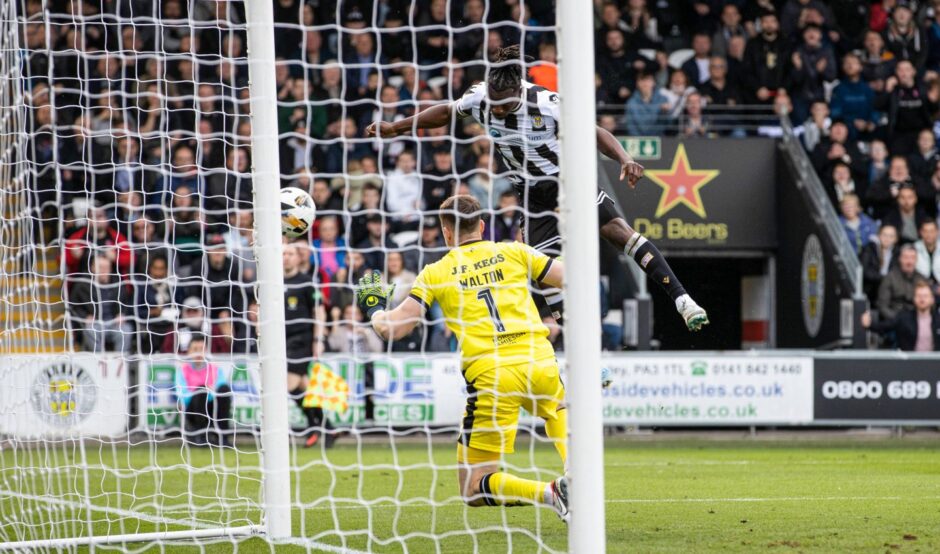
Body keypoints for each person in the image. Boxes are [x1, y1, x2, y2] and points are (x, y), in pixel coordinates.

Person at [366, 45, 708, 332]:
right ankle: (582, 352)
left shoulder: (546, 102)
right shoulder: (479, 98)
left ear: (519, 89)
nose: (497, 109)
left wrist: (624, 158)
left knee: (619, 233)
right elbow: (444, 112)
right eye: (494, 103)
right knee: (542, 272)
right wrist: (397, 128)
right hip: (530, 196)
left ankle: (682, 299)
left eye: (505, 104)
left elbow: (593, 132)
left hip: (566, 183)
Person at [356, 195, 570, 520]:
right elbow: (572, 278)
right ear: (482, 226)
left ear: (446, 232)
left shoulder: (436, 271)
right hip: (538, 358)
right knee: (559, 409)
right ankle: (576, 469)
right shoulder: (514, 251)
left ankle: (550, 493)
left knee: (472, 489)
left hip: (492, 377)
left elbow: (394, 329)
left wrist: (373, 309)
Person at [282, 241, 332, 448]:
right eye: (283, 253)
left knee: (289, 385)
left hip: (301, 339)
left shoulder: (306, 282)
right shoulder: (272, 282)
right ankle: (328, 428)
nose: (287, 257)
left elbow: (319, 311)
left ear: (298, 257)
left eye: (291, 253)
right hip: (281, 340)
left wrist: (318, 340)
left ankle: (314, 426)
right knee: (303, 386)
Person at [174, 334, 232, 446]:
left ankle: (223, 437)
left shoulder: (215, 369)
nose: (198, 353)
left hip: (212, 409)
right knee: (201, 390)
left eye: (201, 349)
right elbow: (182, 397)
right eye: (195, 349)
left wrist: (208, 392)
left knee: (224, 389)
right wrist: (204, 389)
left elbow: (220, 388)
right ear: (189, 352)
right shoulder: (182, 370)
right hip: (193, 410)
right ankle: (200, 436)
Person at [863, 280, 940, 351]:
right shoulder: (904, 318)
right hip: (908, 363)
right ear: (914, 298)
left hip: (934, 363)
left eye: (925, 296)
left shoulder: (938, 319)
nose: (922, 299)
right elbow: (885, 327)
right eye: (919, 296)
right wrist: (869, 324)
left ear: (932, 299)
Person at [877, 244, 919, 320]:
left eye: (912, 257)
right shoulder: (889, 278)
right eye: (906, 257)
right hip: (894, 320)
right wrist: (899, 321)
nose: (909, 261)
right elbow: (882, 306)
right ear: (900, 259)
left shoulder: (922, 279)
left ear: (916, 260)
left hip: (915, 322)